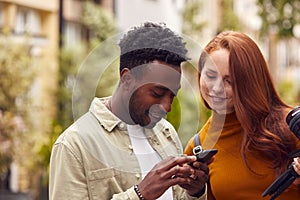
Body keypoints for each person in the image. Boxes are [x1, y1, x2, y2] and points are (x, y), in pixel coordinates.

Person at [49, 22, 210, 200]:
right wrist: (141, 194)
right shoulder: (74, 145)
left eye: (172, 96)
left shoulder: (166, 132)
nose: (166, 107)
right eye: (157, 93)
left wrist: (195, 192)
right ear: (127, 80)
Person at [184, 31, 300, 199]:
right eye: (210, 75)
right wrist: (194, 192)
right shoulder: (199, 147)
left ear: (250, 83)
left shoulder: (292, 126)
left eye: (229, 80)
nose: (216, 88)